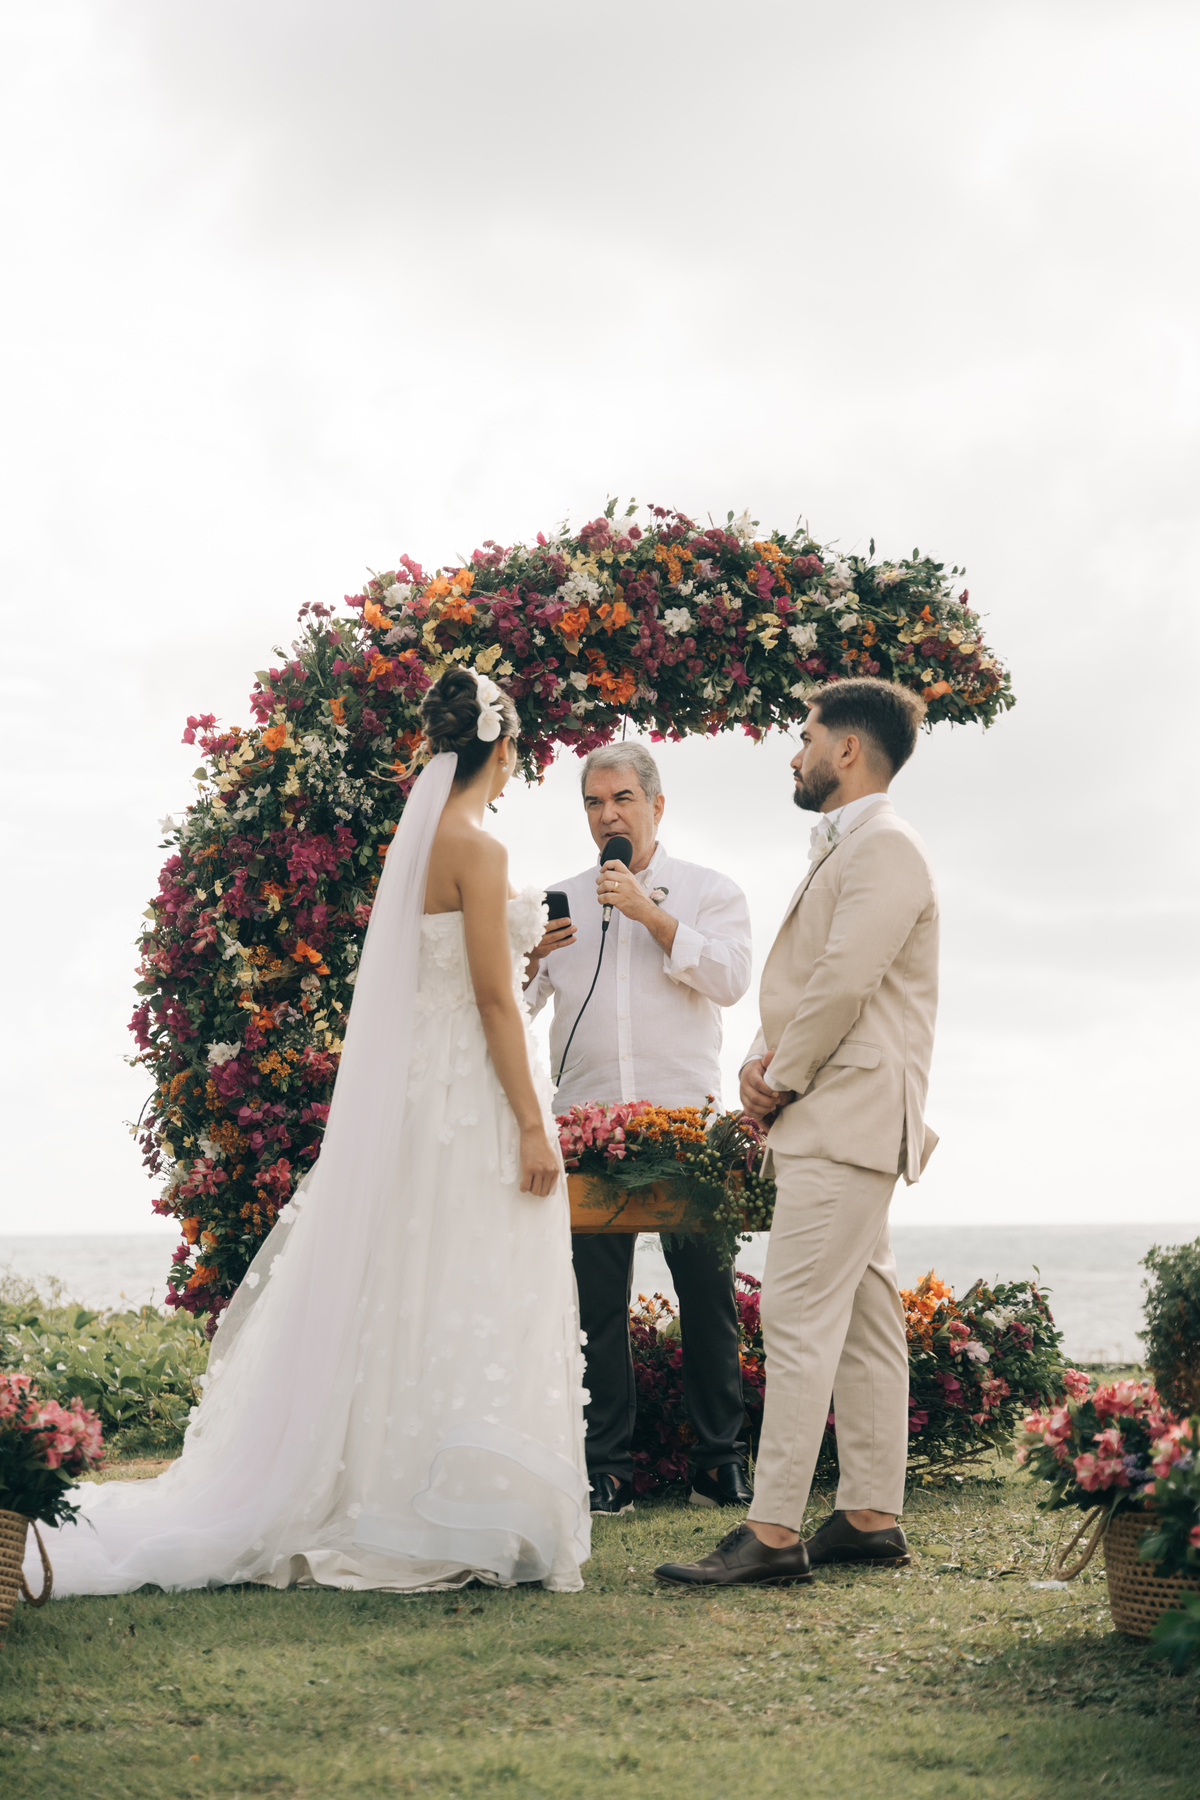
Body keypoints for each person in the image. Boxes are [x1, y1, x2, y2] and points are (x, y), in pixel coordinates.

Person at [27, 667, 591, 1597]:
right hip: (469, 1093)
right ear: (503, 747)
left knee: (412, 1275)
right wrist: (534, 1124)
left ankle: (395, 1488)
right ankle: (443, 1504)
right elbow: (491, 999)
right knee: (464, 1271)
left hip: (422, 1092)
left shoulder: (424, 846)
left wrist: (525, 952)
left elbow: (453, 975)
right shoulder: (479, 852)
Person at [654, 678, 939, 1588]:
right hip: (835, 1107)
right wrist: (760, 1057)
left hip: (844, 1113)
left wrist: (774, 1079)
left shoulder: (886, 847)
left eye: (806, 734)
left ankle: (773, 1530)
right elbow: (816, 981)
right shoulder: (852, 846)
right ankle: (867, 1515)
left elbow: (846, 985)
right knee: (860, 1321)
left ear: (846, 749)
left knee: (795, 1314)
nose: (796, 750)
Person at [524, 744, 754, 1517]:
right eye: (593, 804)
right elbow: (513, 1007)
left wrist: (649, 914)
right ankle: (606, 1468)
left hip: (683, 1122)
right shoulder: (557, 897)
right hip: (587, 1124)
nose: (607, 816)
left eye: (621, 799)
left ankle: (718, 1462)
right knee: (595, 1304)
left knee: (707, 1296)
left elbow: (728, 978)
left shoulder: (709, 891)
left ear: (657, 805)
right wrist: (526, 958)